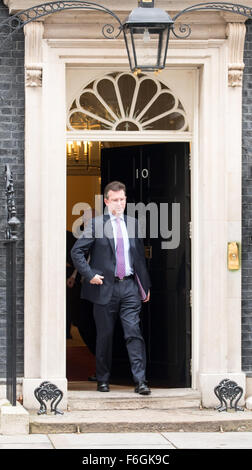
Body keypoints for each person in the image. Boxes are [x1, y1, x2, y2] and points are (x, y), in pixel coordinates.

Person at [71, 181, 151, 395]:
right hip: (105, 288)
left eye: (122, 199)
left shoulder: (133, 224)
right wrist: (89, 275)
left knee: (133, 333)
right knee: (104, 336)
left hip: (130, 288)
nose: (119, 204)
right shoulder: (97, 225)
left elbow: (139, 258)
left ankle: (140, 381)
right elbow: (77, 252)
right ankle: (103, 380)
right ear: (107, 201)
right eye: (115, 200)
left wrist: (145, 286)